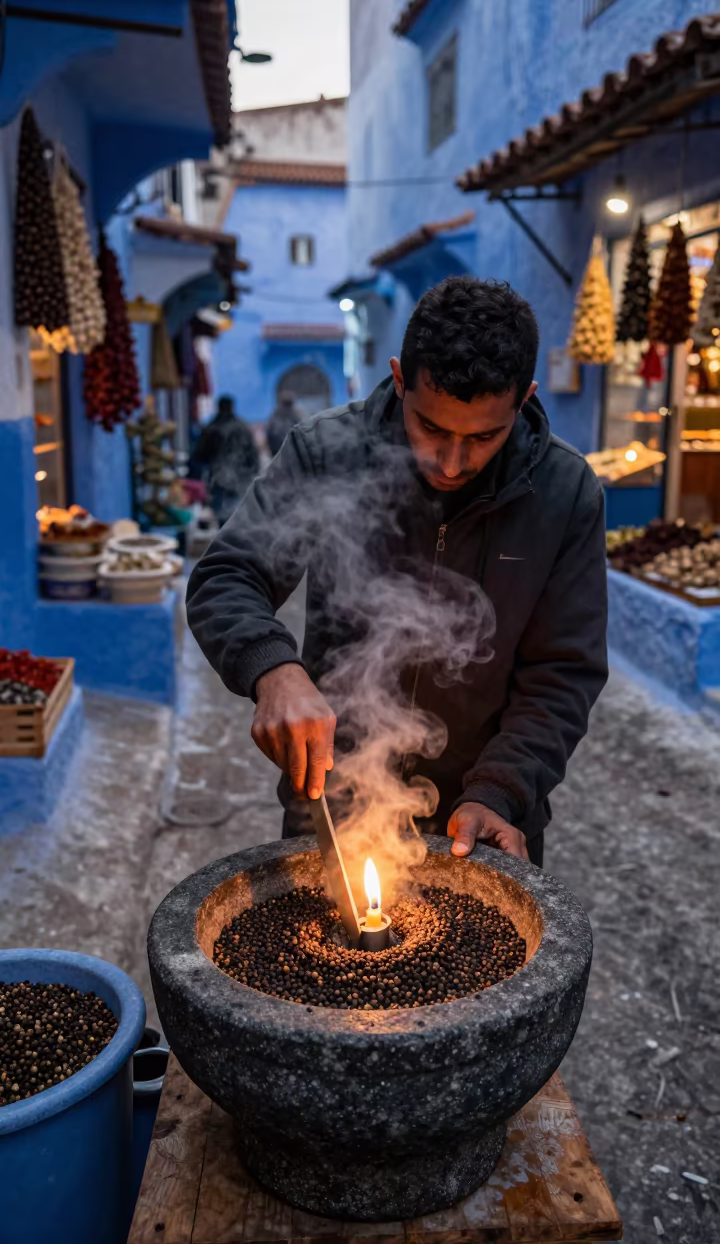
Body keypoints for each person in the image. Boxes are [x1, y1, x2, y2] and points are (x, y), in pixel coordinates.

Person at [187, 278, 608, 867]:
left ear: (526, 397)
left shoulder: (564, 491)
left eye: (485, 436)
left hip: (480, 822)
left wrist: (502, 790)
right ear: (400, 377)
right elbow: (227, 575)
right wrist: (274, 669)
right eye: (432, 429)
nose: (453, 462)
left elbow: (562, 671)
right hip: (334, 805)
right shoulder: (325, 453)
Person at [191, 396, 259, 525]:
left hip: (218, 480)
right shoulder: (243, 428)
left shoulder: (211, 428)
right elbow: (253, 454)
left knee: (222, 514)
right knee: (237, 513)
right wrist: (254, 474)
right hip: (240, 478)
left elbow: (199, 455)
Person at [266, 388, 302, 457]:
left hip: (277, 454)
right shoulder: (295, 416)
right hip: (294, 455)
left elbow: (269, 434)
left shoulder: (275, 416)